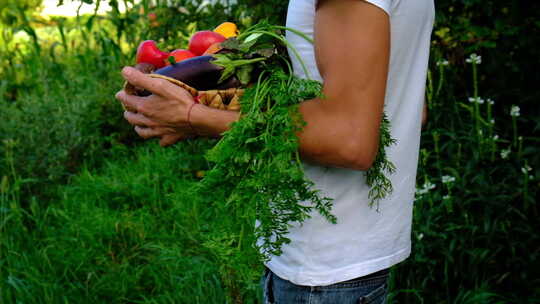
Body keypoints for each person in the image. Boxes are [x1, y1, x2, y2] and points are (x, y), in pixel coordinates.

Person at [115, 0, 434, 302]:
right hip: (351, 251)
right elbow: (406, 109)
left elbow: (349, 141)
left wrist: (193, 117)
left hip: (321, 265)